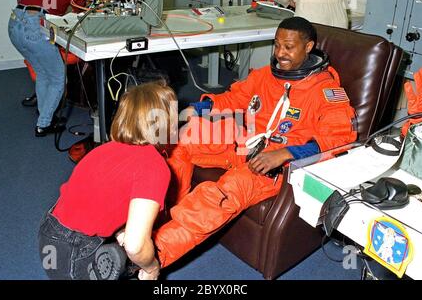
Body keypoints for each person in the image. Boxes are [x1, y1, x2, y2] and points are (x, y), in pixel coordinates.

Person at [151, 17, 358, 269]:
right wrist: (199, 107)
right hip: (244, 142)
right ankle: (155, 217)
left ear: (308, 47)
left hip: (276, 164)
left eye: (289, 47)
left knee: (225, 191)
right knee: (183, 140)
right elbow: (233, 99)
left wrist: (285, 153)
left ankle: (155, 253)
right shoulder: (264, 76)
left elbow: (339, 139)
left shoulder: (326, 92)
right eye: (277, 45)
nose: (280, 53)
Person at [38, 81, 176, 280]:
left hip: (49, 235)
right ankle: (112, 261)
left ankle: (114, 256)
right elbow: (136, 244)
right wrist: (152, 267)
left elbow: (102, 198)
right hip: (76, 251)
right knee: (140, 251)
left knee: (125, 248)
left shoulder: (103, 149)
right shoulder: (154, 166)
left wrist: (121, 231)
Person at [8, 0, 87, 137]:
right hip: (35, 27)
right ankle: (44, 124)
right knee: (58, 79)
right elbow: (82, 14)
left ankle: (44, 112)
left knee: (43, 73)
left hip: (14, 23)